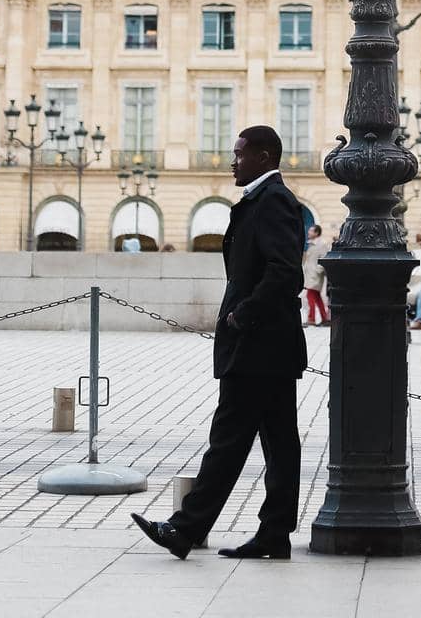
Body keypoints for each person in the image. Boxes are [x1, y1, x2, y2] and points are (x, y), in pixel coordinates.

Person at [131, 125, 306, 562]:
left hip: (258, 346)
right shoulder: (263, 201)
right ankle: (274, 534)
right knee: (279, 443)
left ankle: (185, 529)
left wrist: (245, 313)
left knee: (230, 440)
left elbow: (286, 271)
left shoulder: (274, 202)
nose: (233, 161)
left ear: (265, 157)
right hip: (266, 346)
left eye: (240, 153)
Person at [302, 223, 330, 325]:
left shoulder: (321, 244)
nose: (309, 232)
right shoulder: (311, 243)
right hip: (310, 275)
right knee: (317, 297)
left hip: (315, 275)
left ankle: (311, 319)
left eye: (311, 231)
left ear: (316, 233)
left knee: (310, 296)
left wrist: (317, 270)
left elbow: (324, 258)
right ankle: (324, 318)